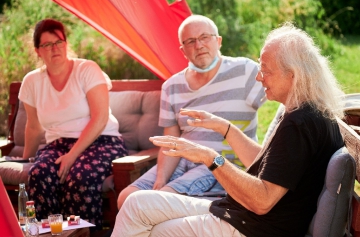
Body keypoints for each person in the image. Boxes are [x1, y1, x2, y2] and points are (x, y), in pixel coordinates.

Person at [111, 22, 345, 237]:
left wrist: (209, 157)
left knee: (153, 229)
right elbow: (270, 165)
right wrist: (226, 128)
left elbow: (262, 201)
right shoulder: (307, 113)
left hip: (252, 228)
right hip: (240, 214)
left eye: (266, 70)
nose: (259, 77)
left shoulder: (300, 124)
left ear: (292, 74)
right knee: (136, 203)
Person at [117, 14, 265, 209]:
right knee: (126, 198)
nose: (199, 45)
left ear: (218, 41)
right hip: (182, 162)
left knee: (158, 201)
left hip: (220, 163)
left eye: (205, 37)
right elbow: (171, 142)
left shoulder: (245, 72)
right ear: (183, 50)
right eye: (191, 41)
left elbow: (284, 99)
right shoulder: (172, 86)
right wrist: (160, 180)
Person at [19, 18, 128, 229]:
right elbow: (33, 126)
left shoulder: (87, 69)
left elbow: (100, 118)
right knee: (39, 173)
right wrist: (26, 160)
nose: (55, 48)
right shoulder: (32, 82)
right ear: (38, 51)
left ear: (66, 44)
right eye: (47, 45)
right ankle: (47, 233)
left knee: (79, 177)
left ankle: (83, 234)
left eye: (59, 42)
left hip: (102, 141)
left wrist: (72, 156)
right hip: (58, 145)